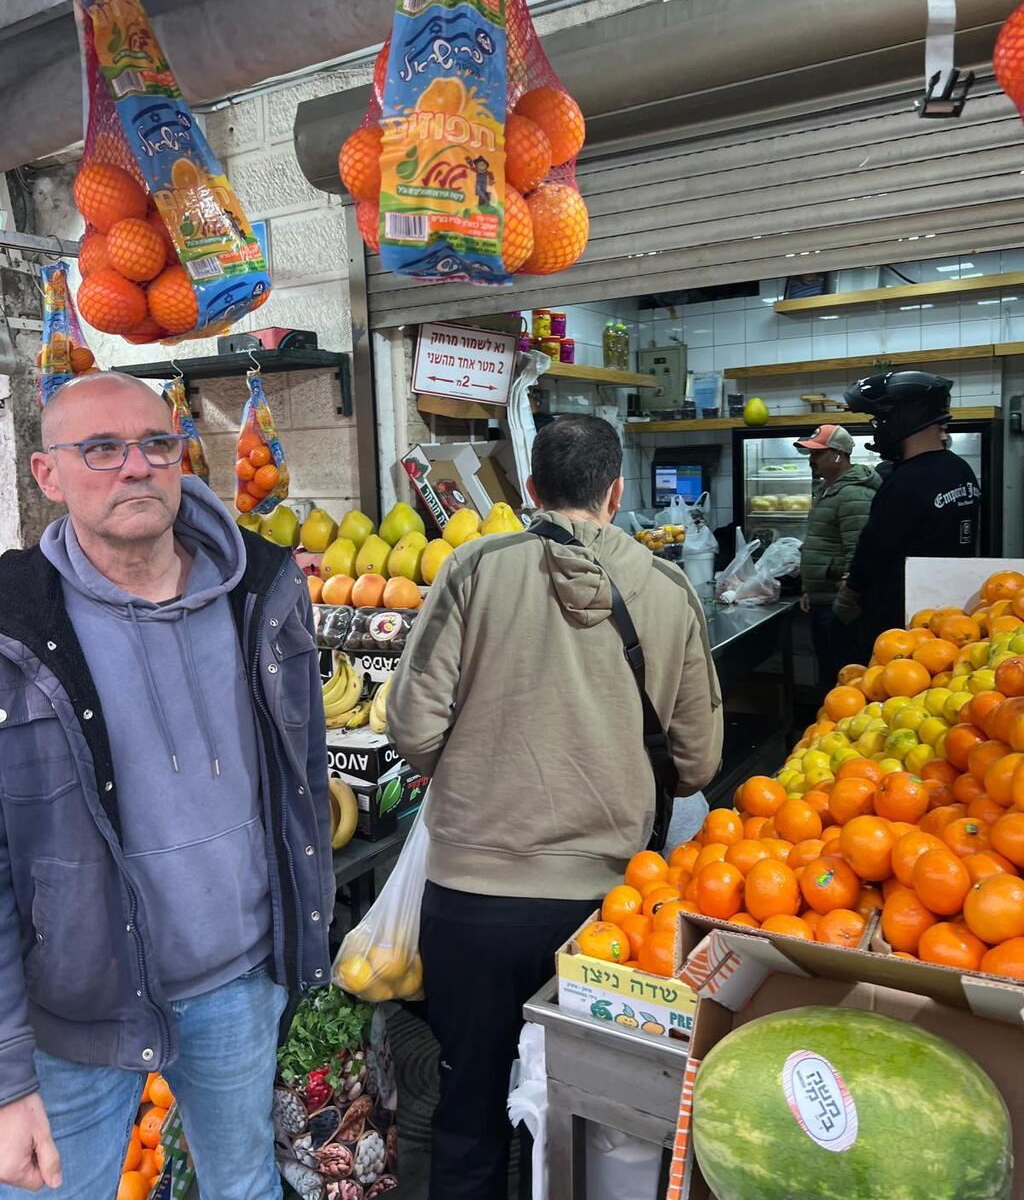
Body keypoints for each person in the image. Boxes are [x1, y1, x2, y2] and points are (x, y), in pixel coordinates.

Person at [0, 372, 333, 1198]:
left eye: (156, 444)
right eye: (100, 448)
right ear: (47, 474)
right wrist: (7, 1074)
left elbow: (302, 774)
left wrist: (302, 940)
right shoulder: (14, 628)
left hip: (239, 983)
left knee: (244, 1183)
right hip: (77, 1013)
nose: (135, 466)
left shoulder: (261, 589)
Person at [388, 415, 723, 1200]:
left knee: (468, 1108)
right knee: (592, 1125)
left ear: (532, 489)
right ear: (616, 491)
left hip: (472, 897)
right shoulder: (667, 588)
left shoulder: (472, 567)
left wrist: (478, 765)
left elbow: (412, 727)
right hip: (612, 912)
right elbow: (699, 761)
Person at [842, 371, 981, 652]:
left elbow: (873, 549)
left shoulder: (904, 481)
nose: (878, 429)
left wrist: (849, 593)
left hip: (898, 625)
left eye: (880, 420)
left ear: (904, 418)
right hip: (948, 617)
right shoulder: (961, 470)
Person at [794, 423, 881, 686]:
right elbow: (822, 542)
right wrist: (809, 588)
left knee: (845, 678)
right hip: (823, 599)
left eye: (818, 453)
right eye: (811, 453)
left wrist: (844, 604)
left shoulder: (855, 494)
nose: (811, 460)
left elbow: (859, 552)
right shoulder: (827, 489)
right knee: (829, 674)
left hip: (838, 604)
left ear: (838, 455)